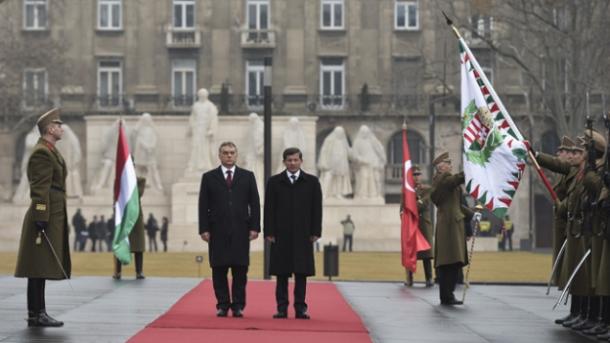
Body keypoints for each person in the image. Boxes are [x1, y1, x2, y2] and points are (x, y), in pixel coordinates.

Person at [14, 108, 71, 327]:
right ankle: (36, 313)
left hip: (52, 212)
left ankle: (39, 311)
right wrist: (41, 215)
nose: (61, 128)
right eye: (58, 125)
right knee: (37, 267)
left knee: (41, 266)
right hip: (44, 214)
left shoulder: (50, 150)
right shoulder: (42, 153)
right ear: (49, 129)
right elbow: (39, 189)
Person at [199, 142, 260, 318]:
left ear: (236, 155)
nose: (229, 156)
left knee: (240, 270)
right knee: (219, 269)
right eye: (225, 153)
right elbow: (203, 205)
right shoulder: (209, 177)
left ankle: (238, 305)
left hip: (241, 230)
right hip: (217, 230)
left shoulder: (247, 176)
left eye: (232, 153)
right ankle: (223, 305)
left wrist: (255, 227)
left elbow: (254, 204)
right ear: (219, 155)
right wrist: (204, 228)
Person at [264, 147, 322, 319]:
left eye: (295, 160)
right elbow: (269, 209)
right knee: (281, 274)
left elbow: (316, 209)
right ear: (284, 162)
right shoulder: (274, 182)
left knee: (301, 273)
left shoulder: (312, 182)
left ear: (301, 161)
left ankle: (300, 308)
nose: (292, 163)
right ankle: (281, 308)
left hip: (303, 234)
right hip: (280, 235)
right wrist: (269, 231)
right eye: (289, 160)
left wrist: (316, 231)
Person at [430, 152, 474, 306]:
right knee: (448, 263)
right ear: (441, 166)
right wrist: (472, 167)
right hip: (449, 227)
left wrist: (471, 215)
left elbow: (457, 204)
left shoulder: (445, 181)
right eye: (448, 163)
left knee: (453, 262)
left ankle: (448, 295)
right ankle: (446, 295)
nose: (451, 165)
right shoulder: (442, 180)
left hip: (453, 225)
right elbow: (457, 179)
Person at [404, 165, 434, 287]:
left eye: (418, 174)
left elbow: (423, 204)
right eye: (414, 175)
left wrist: (411, 205)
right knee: (411, 253)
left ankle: (429, 278)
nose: (416, 177)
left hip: (423, 225)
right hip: (411, 225)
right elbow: (402, 208)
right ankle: (409, 278)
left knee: (426, 254)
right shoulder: (406, 191)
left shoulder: (427, 189)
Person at [113, 177, 147, 280]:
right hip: (123, 214)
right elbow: (116, 197)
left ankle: (139, 271)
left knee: (139, 245)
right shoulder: (119, 180)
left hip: (135, 214)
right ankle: (117, 271)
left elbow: (137, 194)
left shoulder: (140, 180)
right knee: (120, 243)